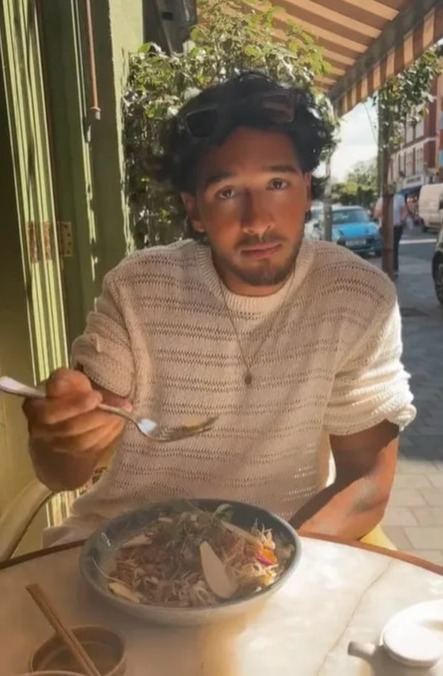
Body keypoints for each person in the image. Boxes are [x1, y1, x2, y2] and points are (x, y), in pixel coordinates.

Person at [23, 72, 415, 546]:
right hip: (125, 550)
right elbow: (64, 474)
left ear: (306, 190)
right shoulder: (138, 289)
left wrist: (272, 567)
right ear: (194, 209)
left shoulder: (355, 297)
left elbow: (367, 478)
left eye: (276, 183)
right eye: (227, 192)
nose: (257, 221)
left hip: (281, 547)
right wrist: (59, 439)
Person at [374, 191, 408, 276]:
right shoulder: (381, 200)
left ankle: (394, 268)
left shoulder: (399, 198)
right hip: (384, 227)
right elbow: (376, 215)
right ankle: (385, 268)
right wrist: (382, 208)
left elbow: (404, 211)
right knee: (385, 247)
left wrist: (402, 220)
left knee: (394, 247)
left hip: (396, 226)